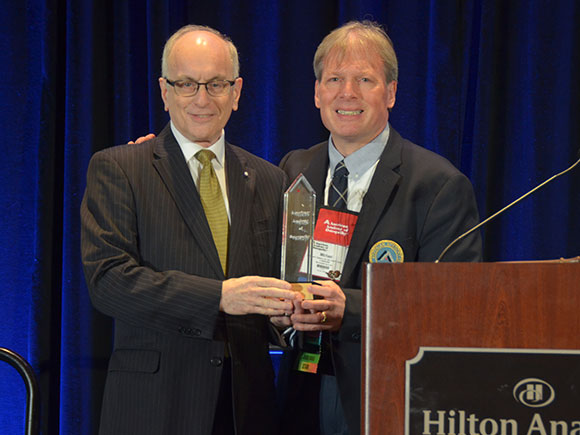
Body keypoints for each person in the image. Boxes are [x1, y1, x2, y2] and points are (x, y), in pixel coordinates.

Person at [81, 25, 298, 435]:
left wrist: (291, 313)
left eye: (216, 84)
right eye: (186, 84)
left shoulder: (269, 179)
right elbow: (107, 281)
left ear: (236, 92)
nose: (202, 98)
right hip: (155, 407)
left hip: (246, 410)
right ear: (164, 92)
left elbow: (271, 291)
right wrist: (218, 297)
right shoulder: (119, 168)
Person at [271, 21, 483, 435]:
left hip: (388, 395)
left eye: (364, 79)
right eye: (334, 79)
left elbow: (458, 304)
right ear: (317, 93)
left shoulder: (439, 185)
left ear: (390, 93)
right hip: (297, 391)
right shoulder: (291, 170)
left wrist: (348, 309)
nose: (347, 93)